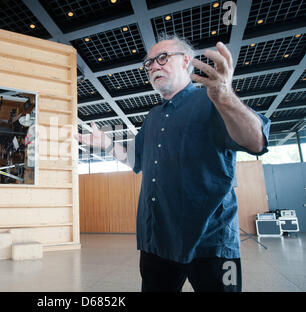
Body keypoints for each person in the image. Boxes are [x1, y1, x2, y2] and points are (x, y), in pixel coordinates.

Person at [76, 33, 270, 292]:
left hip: (212, 245)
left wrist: (225, 96)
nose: (154, 66)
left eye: (162, 58)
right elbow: (135, 160)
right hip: (158, 243)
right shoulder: (153, 117)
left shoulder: (214, 100)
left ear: (185, 61)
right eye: (149, 63)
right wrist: (107, 144)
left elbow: (256, 142)